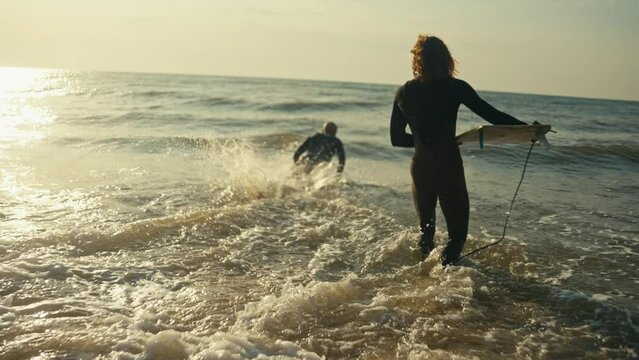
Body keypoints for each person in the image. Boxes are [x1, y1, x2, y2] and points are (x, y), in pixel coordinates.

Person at [390, 35, 527, 266]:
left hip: (421, 168)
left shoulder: (404, 92)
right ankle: (446, 282)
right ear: (446, 58)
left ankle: (423, 279)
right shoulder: (456, 88)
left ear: (418, 60)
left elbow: (396, 139)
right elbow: (492, 116)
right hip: (447, 166)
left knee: (426, 233)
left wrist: (425, 142)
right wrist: (527, 130)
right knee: (456, 237)